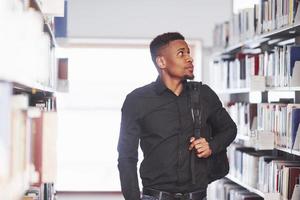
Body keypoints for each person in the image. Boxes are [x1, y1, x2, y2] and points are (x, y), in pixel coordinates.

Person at [117, 32, 237, 200]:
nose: (189, 58)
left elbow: (230, 129)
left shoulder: (205, 95)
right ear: (161, 62)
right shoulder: (136, 100)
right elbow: (126, 156)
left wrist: (212, 145)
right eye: (181, 53)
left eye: (189, 52)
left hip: (198, 196)